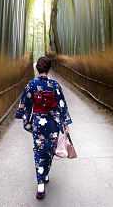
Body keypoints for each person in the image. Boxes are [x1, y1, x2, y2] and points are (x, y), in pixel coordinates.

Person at [14, 56, 73, 200]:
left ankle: (41, 181)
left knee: (39, 150)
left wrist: (26, 121)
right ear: (49, 68)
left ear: (37, 68)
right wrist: (65, 124)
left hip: (38, 122)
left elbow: (25, 104)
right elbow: (62, 105)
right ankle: (44, 176)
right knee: (50, 149)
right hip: (53, 123)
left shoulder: (31, 85)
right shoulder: (55, 85)